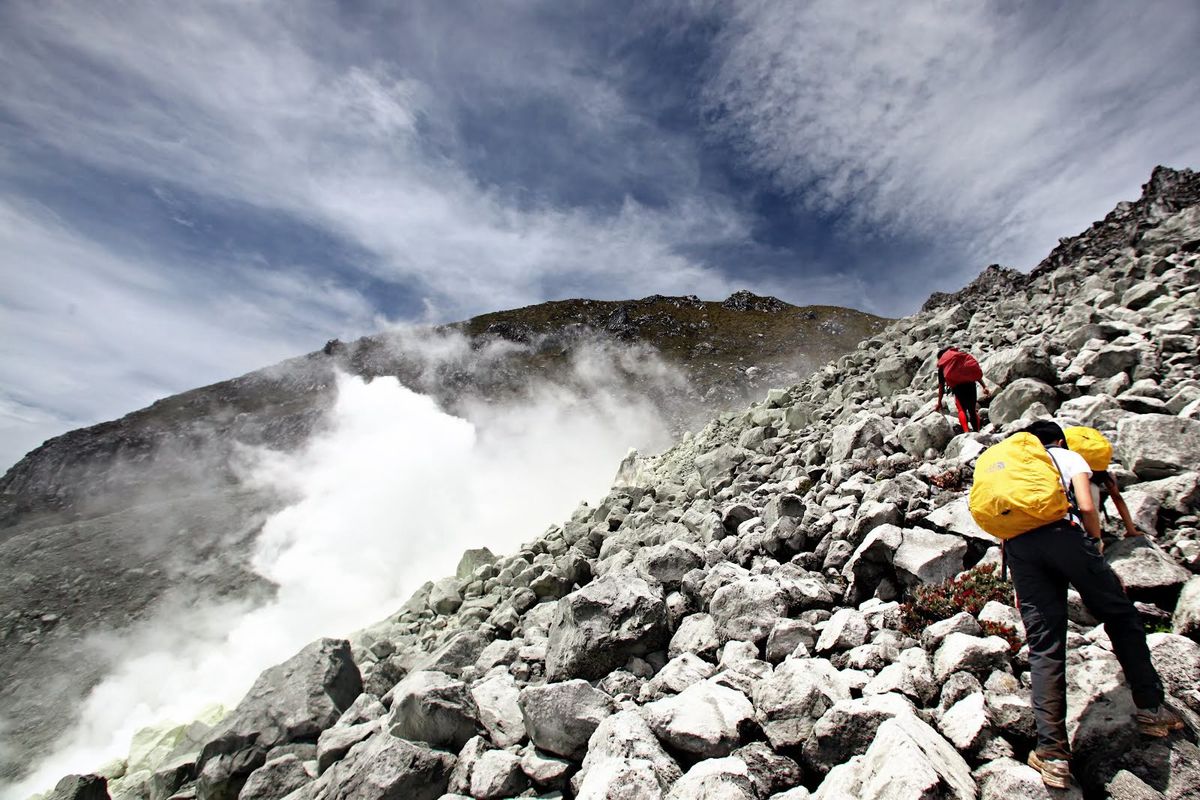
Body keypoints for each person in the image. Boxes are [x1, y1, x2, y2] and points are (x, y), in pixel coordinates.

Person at [1010, 420, 1182, 789]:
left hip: (1021, 549)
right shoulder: (1067, 455)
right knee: (1120, 616)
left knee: (1044, 646)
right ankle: (1151, 709)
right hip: (1066, 537)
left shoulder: (1019, 468)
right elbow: (1087, 506)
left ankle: (1052, 754)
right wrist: (1095, 543)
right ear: (1057, 439)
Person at [935, 346, 990, 433]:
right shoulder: (960, 357)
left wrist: (939, 403)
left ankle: (966, 432)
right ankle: (977, 432)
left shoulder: (943, 366)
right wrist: (984, 386)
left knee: (961, 410)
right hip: (970, 384)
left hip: (958, 388)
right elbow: (974, 374)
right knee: (972, 410)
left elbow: (941, 387)